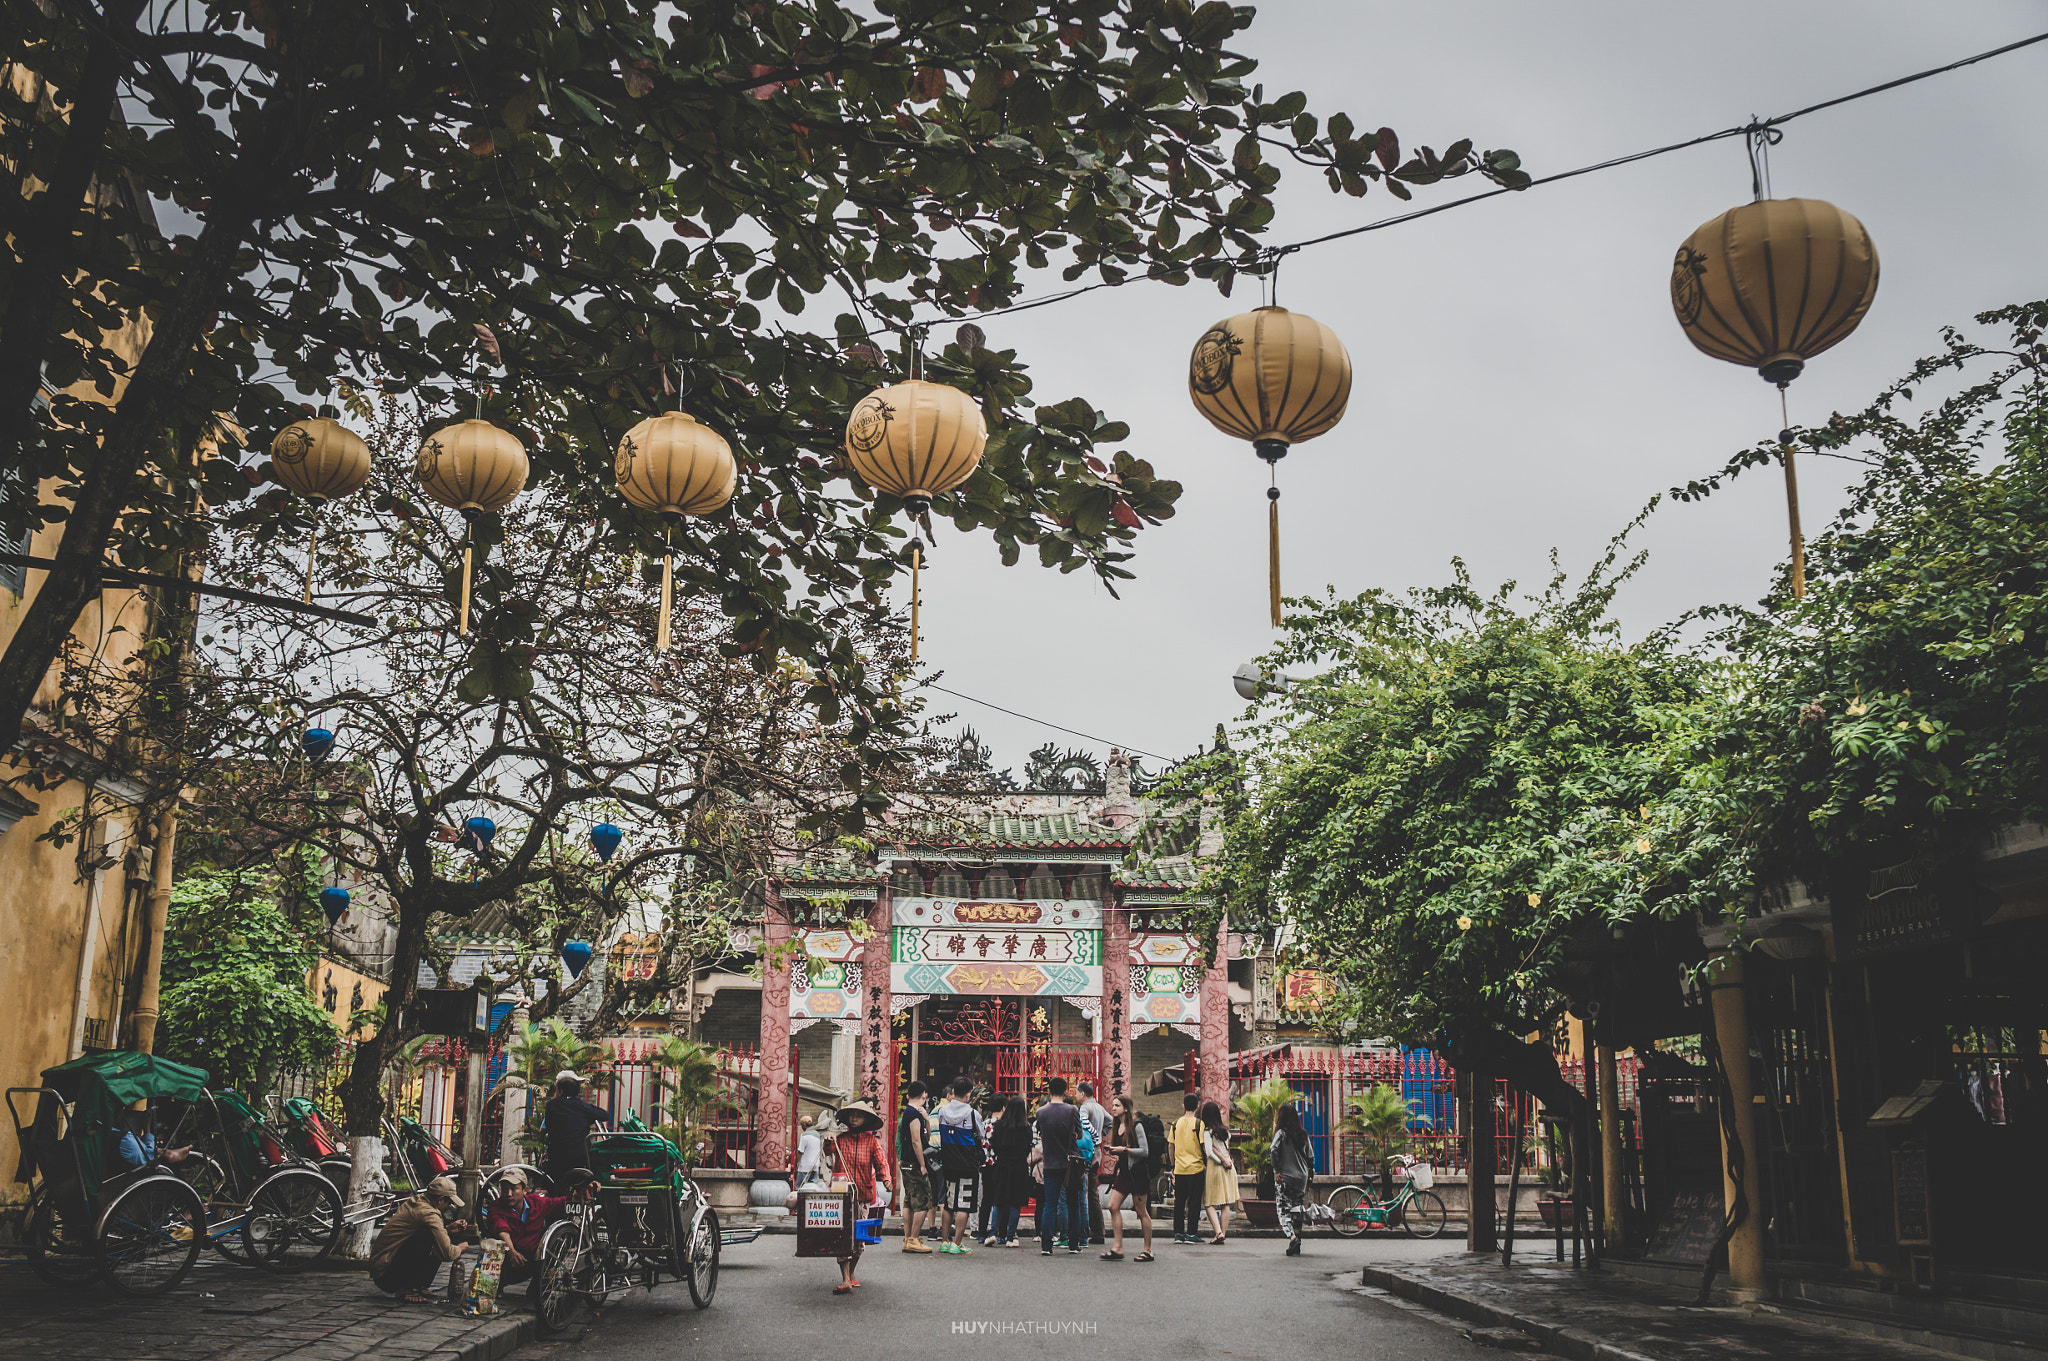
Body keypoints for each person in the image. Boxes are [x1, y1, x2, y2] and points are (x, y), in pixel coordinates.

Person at [369, 1175, 472, 1303]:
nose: (448, 1206)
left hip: (383, 1269)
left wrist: (447, 1229)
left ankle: (416, 1286)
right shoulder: (429, 1213)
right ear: (440, 1200)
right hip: (385, 1275)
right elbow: (448, 1253)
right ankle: (404, 1289)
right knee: (429, 1237)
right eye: (449, 1202)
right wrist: (460, 1249)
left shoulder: (418, 1201)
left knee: (436, 1235)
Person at [827, 1100, 890, 1294]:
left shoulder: (871, 1141)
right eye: (852, 1115)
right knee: (842, 1237)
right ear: (847, 1119)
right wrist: (828, 1141)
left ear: (865, 1120)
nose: (855, 1118)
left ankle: (851, 1272)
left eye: (859, 1116)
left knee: (859, 1240)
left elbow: (881, 1161)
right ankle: (845, 1278)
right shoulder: (839, 1138)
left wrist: (886, 1178)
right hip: (840, 1196)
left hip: (862, 1196)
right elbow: (828, 1151)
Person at [481, 1167, 569, 1289]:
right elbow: (502, 1229)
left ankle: (537, 1287)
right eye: (505, 1189)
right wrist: (511, 1251)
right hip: (507, 1261)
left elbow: (558, 1203)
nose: (508, 1194)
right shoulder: (496, 1208)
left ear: (525, 1190)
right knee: (493, 1250)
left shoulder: (536, 1203)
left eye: (514, 1189)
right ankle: (497, 1286)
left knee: (559, 1244)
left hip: (532, 1258)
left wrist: (580, 1193)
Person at [933, 1077, 986, 1254]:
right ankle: (957, 1243)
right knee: (964, 1204)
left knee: (948, 1203)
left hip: (948, 1160)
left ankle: (944, 1241)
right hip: (967, 1163)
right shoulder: (973, 1114)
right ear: (969, 1093)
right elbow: (981, 1135)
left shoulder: (942, 1112)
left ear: (953, 1092)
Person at [1033, 1077, 1085, 1256]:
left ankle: (1046, 1245)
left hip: (1050, 1163)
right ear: (1065, 1092)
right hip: (1070, 1164)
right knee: (1073, 1203)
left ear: (1048, 1091)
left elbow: (1040, 1132)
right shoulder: (1072, 1110)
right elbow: (1079, 1135)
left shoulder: (1041, 1112)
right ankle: (1074, 1244)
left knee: (1050, 1204)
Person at [1101, 1093, 1154, 1262]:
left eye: (1117, 1106)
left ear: (1125, 1108)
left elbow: (1145, 1151)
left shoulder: (1136, 1126)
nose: (1113, 1108)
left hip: (1137, 1174)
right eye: (1113, 1105)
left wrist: (1124, 1150)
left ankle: (1148, 1250)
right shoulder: (1116, 1126)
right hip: (1124, 1173)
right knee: (1112, 1206)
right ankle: (1118, 1247)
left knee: (1141, 1211)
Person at [982, 1096, 1032, 1247]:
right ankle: (1010, 1237)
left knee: (999, 1200)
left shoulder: (1000, 1125)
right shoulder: (1026, 1127)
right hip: (1019, 1166)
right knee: (1015, 1203)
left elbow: (994, 1145)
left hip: (1002, 1165)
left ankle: (992, 1233)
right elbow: (1028, 1147)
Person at [542, 1071, 609, 1182]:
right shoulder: (582, 1106)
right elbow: (604, 1115)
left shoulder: (551, 1105)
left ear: (561, 1090)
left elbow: (548, 1127)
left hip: (556, 1157)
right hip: (580, 1158)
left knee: (555, 1185)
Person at [895, 1081, 935, 1253]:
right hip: (914, 1162)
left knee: (909, 1200)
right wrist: (922, 1164)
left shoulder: (908, 1113)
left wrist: (927, 1119)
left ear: (907, 1096)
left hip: (906, 1161)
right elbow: (916, 1141)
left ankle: (907, 1238)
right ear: (924, 1096)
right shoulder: (913, 1115)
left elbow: (926, 1135)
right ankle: (914, 1238)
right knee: (924, 1200)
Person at [1272, 1102, 1314, 1256]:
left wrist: (1277, 1170)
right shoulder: (1303, 1135)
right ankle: (1297, 1244)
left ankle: (1292, 1237)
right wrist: (1310, 1176)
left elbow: (1273, 1150)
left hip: (1285, 1179)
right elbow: (1311, 1157)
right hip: (1301, 1179)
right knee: (1297, 1211)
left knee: (1283, 1210)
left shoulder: (1281, 1134)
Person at [1075, 1081, 1110, 1245]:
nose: (1076, 1095)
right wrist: (1101, 1135)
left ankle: (1082, 1232)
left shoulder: (1085, 1107)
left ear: (1083, 1093)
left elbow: (1083, 1123)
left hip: (1087, 1152)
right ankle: (1098, 1232)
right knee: (1094, 1193)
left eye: (1077, 1092)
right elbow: (1110, 1121)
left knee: (1084, 1192)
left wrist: (1094, 1136)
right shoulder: (1099, 1107)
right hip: (1097, 1152)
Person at [1200, 1100, 1239, 1245]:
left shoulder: (1208, 1131)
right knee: (1225, 1203)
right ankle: (1222, 1234)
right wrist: (1225, 1160)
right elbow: (1224, 1149)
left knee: (1208, 1202)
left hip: (1216, 1167)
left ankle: (1218, 1232)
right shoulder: (1225, 1130)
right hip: (1229, 1166)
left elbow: (1209, 1152)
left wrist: (1220, 1161)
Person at [1169, 1093, 1206, 1244]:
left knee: (1179, 1202)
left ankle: (1178, 1233)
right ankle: (1191, 1234)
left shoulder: (1175, 1123)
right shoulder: (1199, 1124)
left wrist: (1172, 1165)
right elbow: (1203, 1146)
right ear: (1197, 1106)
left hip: (1180, 1169)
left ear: (1183, 1106)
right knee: (1194, 1202)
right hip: (1196, 1168)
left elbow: (1171, 1146)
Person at [795, 1115, 825, 1187]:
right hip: (815, 1164)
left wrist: (796, 1162)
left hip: (805, 1165)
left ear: (804, 1125)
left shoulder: (804, 1135)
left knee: (800, 1187)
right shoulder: (817, 1135)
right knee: (812, 1186)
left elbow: (800, 1151)